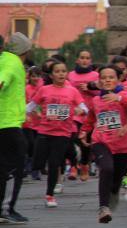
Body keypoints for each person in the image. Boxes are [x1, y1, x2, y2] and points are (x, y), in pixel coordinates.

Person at [79, 65, 127, 223]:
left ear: (118, 79)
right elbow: (92, 118)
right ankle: (103, 208)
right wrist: (84, 130)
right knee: (106, 168)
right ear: (99, 82)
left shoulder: (125, 95)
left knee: (117, 177)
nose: (107, 80)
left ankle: (113, 191)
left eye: (111, 77)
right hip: (101, 141)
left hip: (122, 145)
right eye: (104, 78)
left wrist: (120, 98)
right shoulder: (96, 99)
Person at [27, 59, 88, 208]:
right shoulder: (44, 90)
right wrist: (28, 113)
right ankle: (72, 153)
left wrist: (81, 110)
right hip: (44, 132)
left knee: (54, 164)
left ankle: (50, 195)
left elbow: (85, 108)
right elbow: (30, 106)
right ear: (52, 75)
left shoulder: (72, 91)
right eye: (57, 71)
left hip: (62, 134)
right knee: (38, 163)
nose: (61, 74)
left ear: (66, 74)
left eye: (63, 71)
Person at [0, 33, 33, 223]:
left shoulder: (4, 59)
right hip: (8, 124)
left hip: (6, 123)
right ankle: (6, 208)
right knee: (14, 168)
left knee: (3, 167)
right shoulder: (12, 63)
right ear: (25, 50)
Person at [67, 49, 98, 181]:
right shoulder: (70, 75)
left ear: (90, 60)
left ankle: (84, 164)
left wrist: (89, 89)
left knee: (87, 142)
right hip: (75, 112)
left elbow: (101, 92)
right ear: (77, 60)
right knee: (73, 137)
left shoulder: (96, 75)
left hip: (90, 113)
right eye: (82, 57)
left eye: (87, 58)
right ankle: (74, 165)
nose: (84, 60)